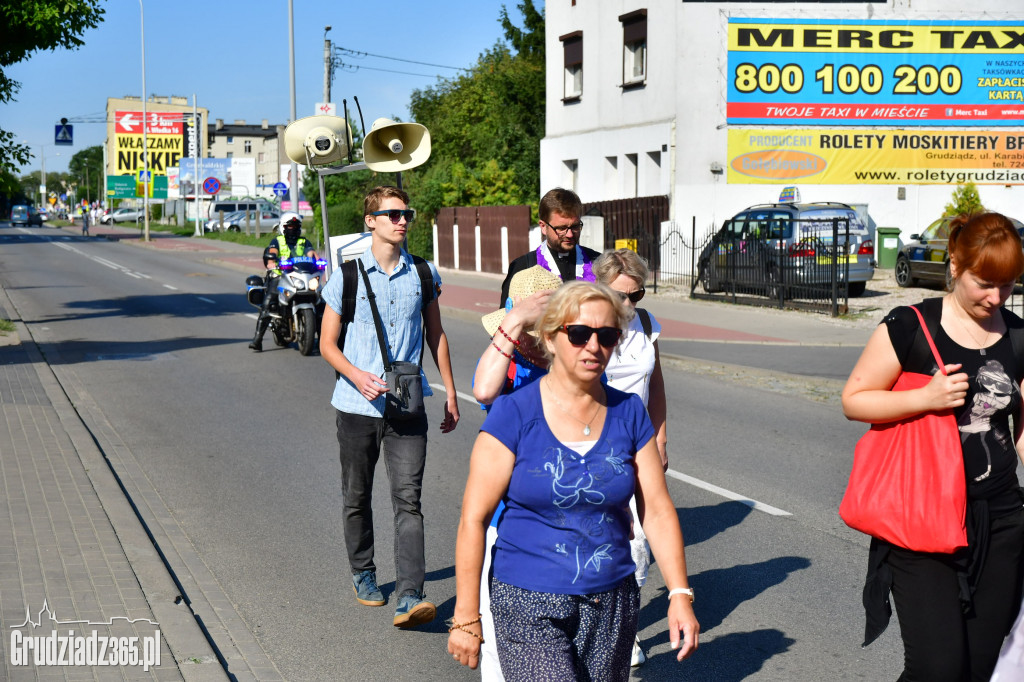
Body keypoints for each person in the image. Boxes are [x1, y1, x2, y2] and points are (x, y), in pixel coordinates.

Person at [449, 281, 699, 680]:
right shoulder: (513, 414)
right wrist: (465, 615)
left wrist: (679, 594)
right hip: (528, 598)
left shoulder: (629, 413)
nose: (594, 346)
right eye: (580, 334)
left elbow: (656, 508)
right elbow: (473, 519)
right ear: (550, 336)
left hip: (612, 599)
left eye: (607, 335)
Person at [841, 212, 1024, 681]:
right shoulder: (911, 326)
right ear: (956, 266)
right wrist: (925, 397)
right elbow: (854, 400)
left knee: (978, 666)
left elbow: (1022, 429)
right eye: (986, 282)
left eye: (1007, 284)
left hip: (1002, 520)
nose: (996, 297)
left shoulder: (1019, 336)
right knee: (938, 668)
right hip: (921, 516)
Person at [319, 185, 460, 629]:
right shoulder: (347, 275)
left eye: (407, 213)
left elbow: (436, 335)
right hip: (356, 405)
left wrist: (451, 391)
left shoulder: (422, 272)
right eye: (393, 214)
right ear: (371, 221)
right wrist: (356, 374)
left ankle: (410, 595)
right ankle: (363, 572)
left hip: (407, 404)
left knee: (409, 500)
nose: (402, 220)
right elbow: (326, 343)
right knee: (356, 495)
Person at [472, 265, 561, 681]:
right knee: (498, 631)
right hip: (511, 517)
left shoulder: (572, 354)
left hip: (569, 515)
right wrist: (513, 321)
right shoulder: (504, 359)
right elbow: (483, 391)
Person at [593, 248, 668, 667]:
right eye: (621, 295)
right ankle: (591, 618)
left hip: (637, 444)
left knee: (640, 541)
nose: (628, 305)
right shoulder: (583, 325)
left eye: (636, 295)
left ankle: (625, 627)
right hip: (592, 445)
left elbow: (655, 383)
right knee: (597, 537)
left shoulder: (644, 324)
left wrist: (660, 437)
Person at [499, 187, 600, 307]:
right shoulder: (523, 266)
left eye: (575, 226)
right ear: (543, 226)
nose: (570, 234)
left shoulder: (598, 261)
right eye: (561, 228)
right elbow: (507, 318)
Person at [249, 212, 318, 351]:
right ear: (283, 227)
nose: (293, 229)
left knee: (321, 301)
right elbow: (272, 252)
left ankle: (324, 340)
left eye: (295, 226)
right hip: (280, 276)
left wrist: (319, 262)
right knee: (268, 303)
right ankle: (257, 339)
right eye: (289, 226)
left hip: (301, 276)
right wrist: (271, 261)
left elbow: (312, 254)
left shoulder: (304, 241)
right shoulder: (277, 241)